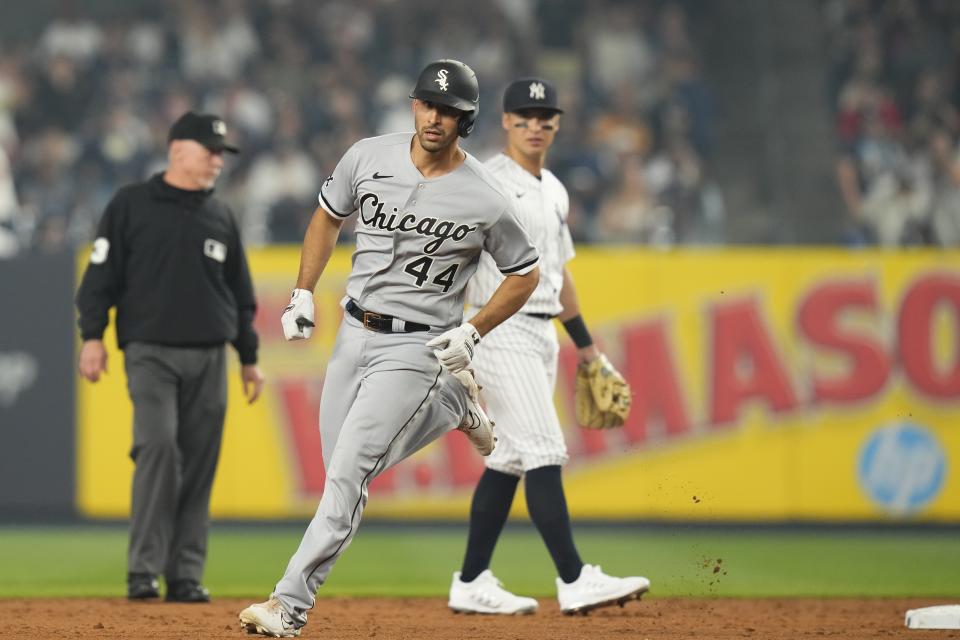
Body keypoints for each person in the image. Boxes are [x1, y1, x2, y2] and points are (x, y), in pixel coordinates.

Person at [238, 59, 540, 637]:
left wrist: (474, 329)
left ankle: (288, 605)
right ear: (413, 104)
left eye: (450, 110)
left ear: (467, 121)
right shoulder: (367, 155)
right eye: (429, 103)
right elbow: (327, 218)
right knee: (338, 476)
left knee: (349, 473)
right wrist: (303, 290)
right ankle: (455, 403)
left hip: (416, 343)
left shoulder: (486, 197)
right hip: (353, 332)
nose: (436, 117)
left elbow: (524, 272)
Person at [447, 77, 650, 616]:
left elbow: (559, 277)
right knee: (544, 448)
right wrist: (457, 328)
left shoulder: (554, 188)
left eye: (545, 116)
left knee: (510, 458)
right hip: (499, 326)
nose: (535, 125)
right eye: (525, 115)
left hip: (541, 333)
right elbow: (453, 254)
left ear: (556, 124)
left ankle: (470, 581)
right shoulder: (487, 180)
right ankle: (574, 577)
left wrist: (587, 348)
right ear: (506, 121)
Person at [76, 111, 265, 603]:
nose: (218, 161)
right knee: (158, 447)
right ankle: (143, 570)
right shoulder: (130, 204)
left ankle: (184, 573)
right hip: (150, 353)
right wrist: (92, 337)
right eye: (211, 151)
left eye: (222, 154)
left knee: (200, 464)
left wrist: (248, 357)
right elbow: (99, 279)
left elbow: (240, 296)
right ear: (179, 149)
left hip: (209, 357)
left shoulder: (221, 215)